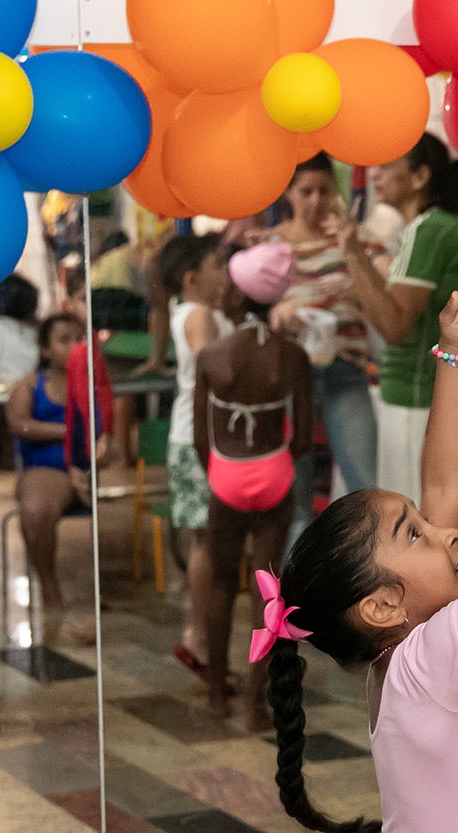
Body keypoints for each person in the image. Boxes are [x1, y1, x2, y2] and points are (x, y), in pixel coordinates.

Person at [263, 272, 458, 833]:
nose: (446, 533)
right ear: (382, 605)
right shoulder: (428, 661)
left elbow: (442, 489)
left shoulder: (400, 656)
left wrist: (456, 355)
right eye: (415, 534)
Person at [194, 241, 313, 729]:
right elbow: (303, 436)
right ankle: (253, 703)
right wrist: (278, 466)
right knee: (267, 592)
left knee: (220, 581)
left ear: (240, 297)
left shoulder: (212, 356)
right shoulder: (292, 357)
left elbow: (203, 439)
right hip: (274, 472)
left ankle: (216, 697)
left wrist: (222, 473)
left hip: (226, 472)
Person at [344, 133, 458, 500]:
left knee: (411, 524)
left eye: (388, 167)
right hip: (427, 394)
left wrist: (354, 257)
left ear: (420, 177)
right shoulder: (437, 226)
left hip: (418, 397)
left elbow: (394, 327)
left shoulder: (429, 227)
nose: (376, 176)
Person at [268, 154, 381, 549]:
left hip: (345, 369)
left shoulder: (356, 240)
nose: (315, 200)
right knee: (294, 501)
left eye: (323, 191)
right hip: (290, 378)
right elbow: (251, 308)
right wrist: (279, 315)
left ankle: (366, 587)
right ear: (288, 193)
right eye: (306, 191)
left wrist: (355, 253)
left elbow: (385, 286)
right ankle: (286, 605)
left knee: (366, 489)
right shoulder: (271, 246)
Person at [156, 233, 235, 693]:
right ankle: (200, 638)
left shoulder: (186, 312)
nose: (225, 275)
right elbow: (217, 373)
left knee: (201, 540)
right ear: (192, 278)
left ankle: (200, 635)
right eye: (217, 267)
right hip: (200, 441)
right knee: (206, 542)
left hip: (191, 438)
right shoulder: (199, 314)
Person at [5, 312, 95, 644]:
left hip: (86, 468)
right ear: (45, 349)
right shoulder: (30, 384)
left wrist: (99, 451)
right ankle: (48, 583)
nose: (74, 346)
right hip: (45, 468)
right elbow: (17, 423)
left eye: (79, 338)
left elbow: (111, 435)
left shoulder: (94, 384)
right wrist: (68, 432)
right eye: (63, 339)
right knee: (34, 511)